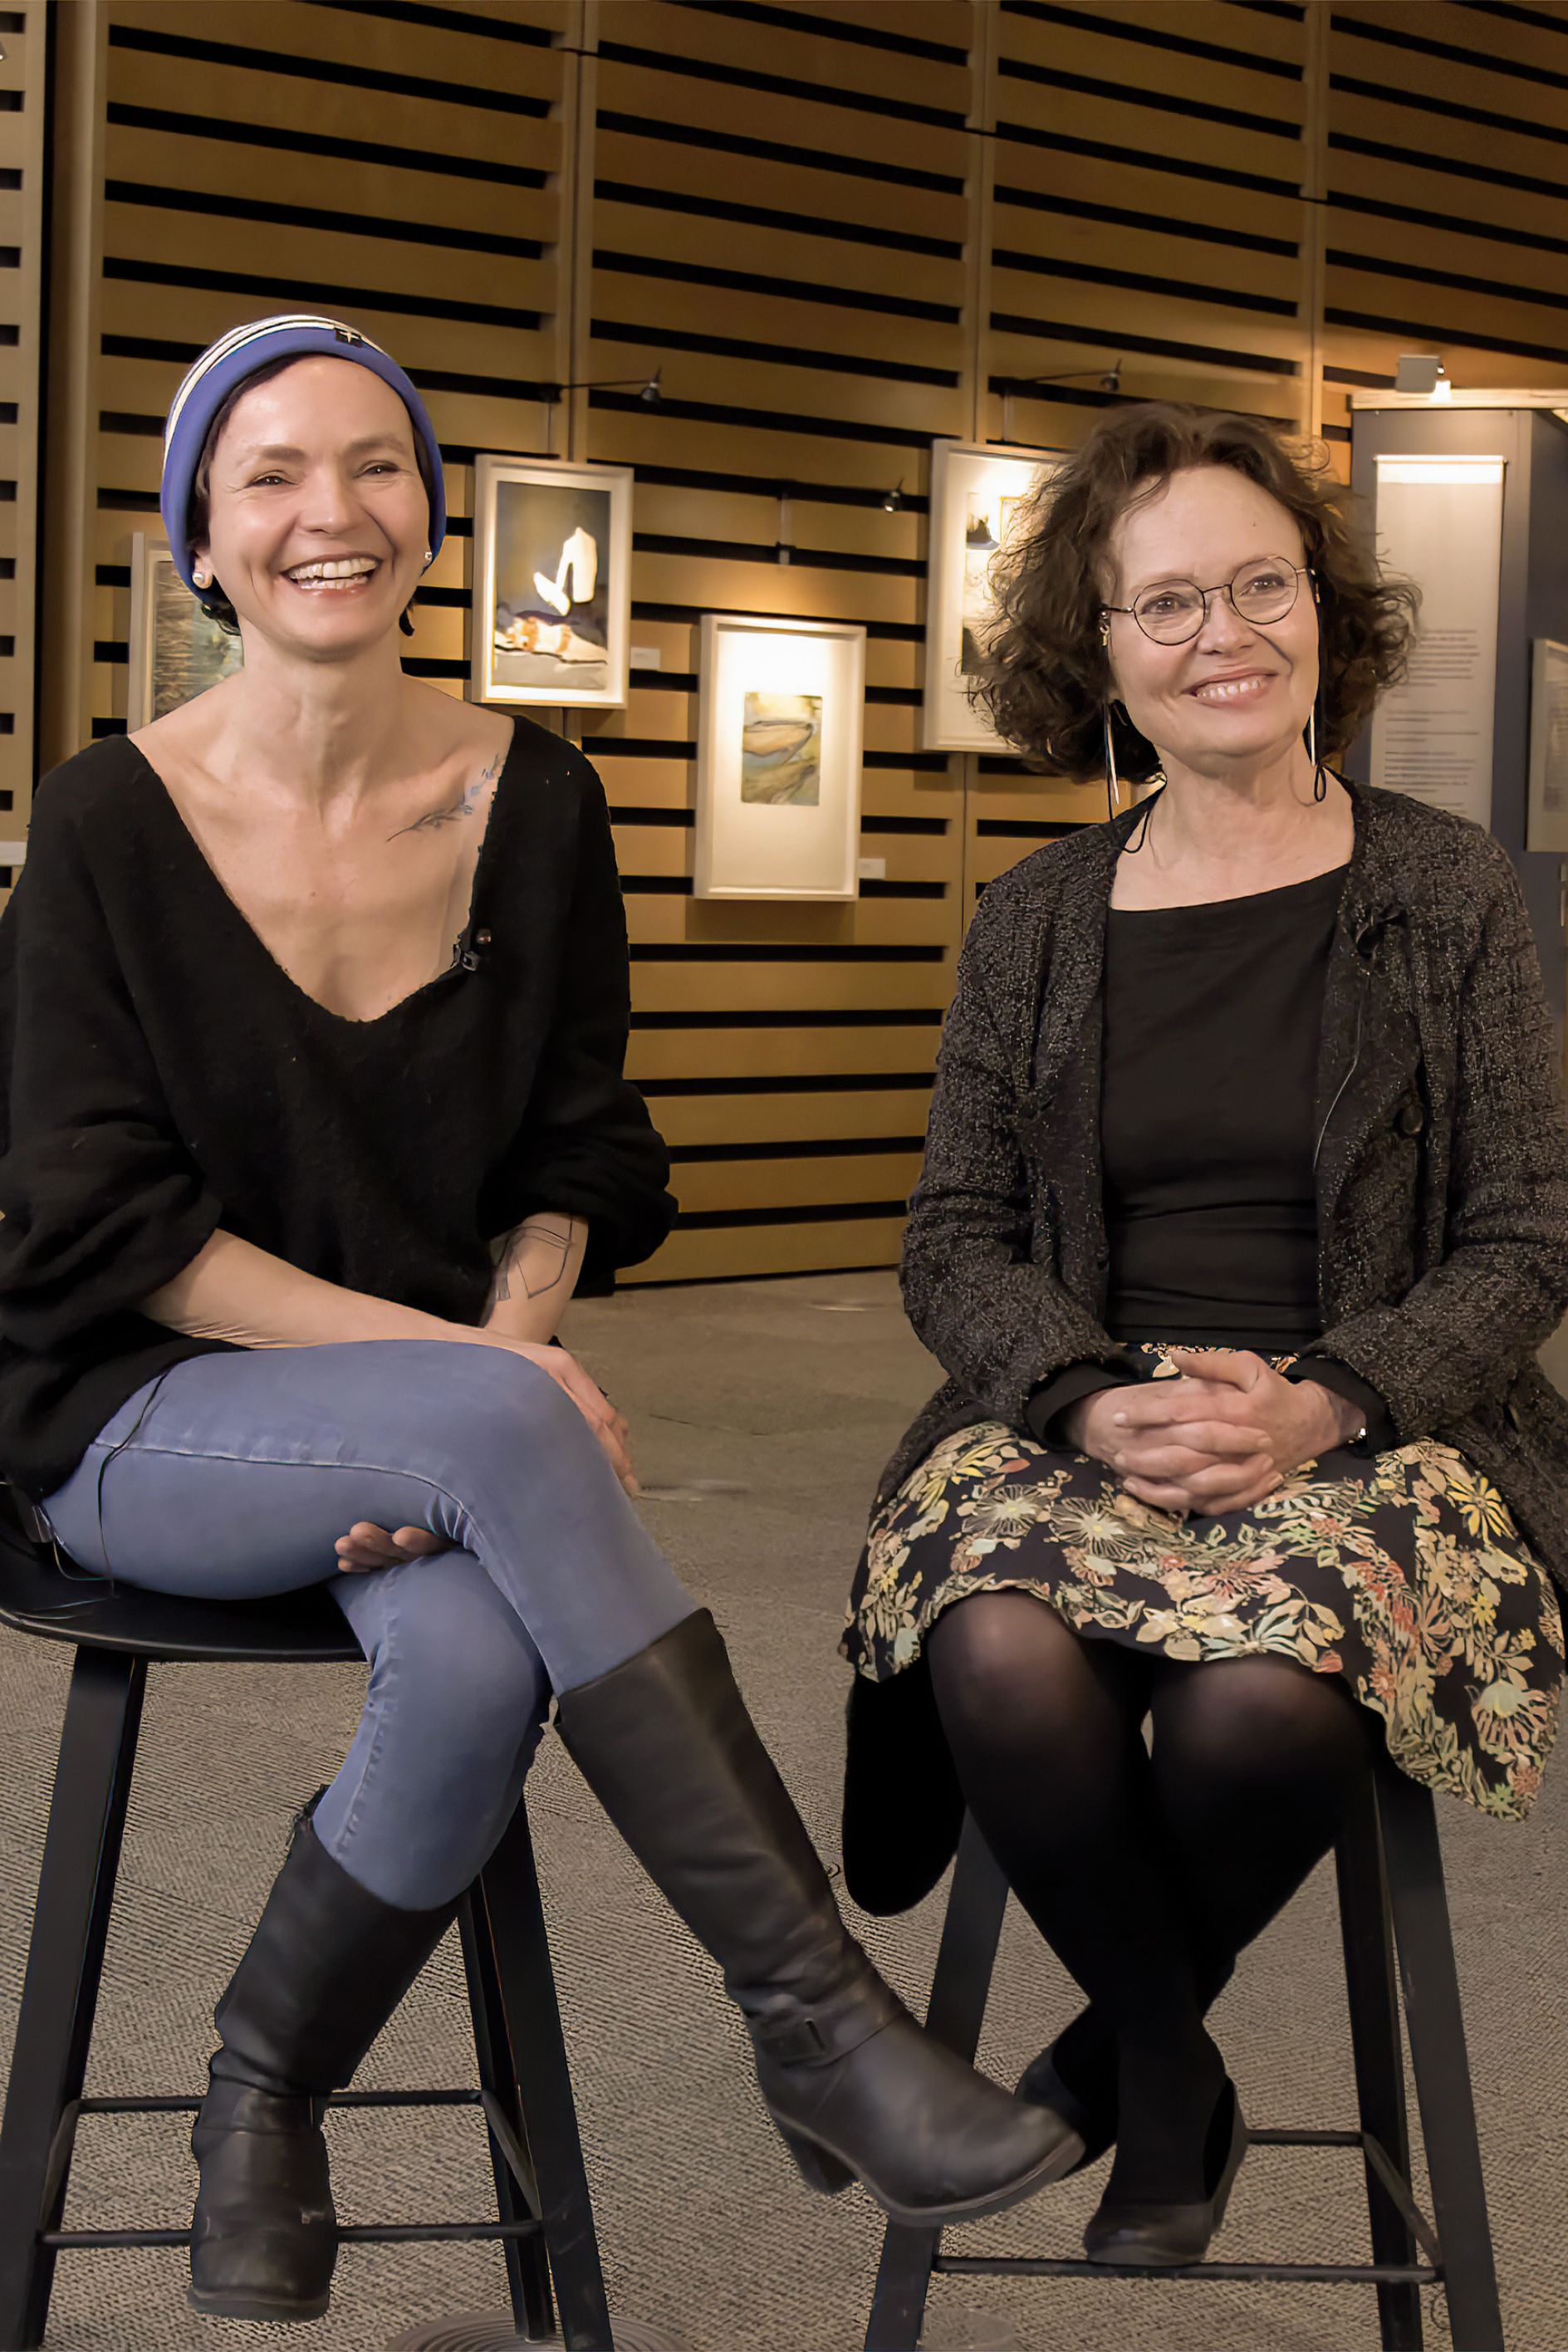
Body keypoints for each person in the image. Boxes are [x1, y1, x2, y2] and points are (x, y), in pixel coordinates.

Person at [0, 315, 1072, 2325]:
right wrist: (464, 1389)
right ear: (203, 549)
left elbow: (578, 1147)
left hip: (440, 1420)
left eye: (376, 467)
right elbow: (109, 1228)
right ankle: (818, 2024)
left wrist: (487, 1347)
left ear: (429, 514)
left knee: (484, 1664)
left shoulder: (539, 798)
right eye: (272, 479)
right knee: (506, 1440)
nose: (334, 511)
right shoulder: (103, 826)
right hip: (141, 1419)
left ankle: (259, 2094)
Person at [840, 402, 1568, 2269]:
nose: (1220, 634)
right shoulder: (1036, 919)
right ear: (1093, 654)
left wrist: (1322, 1403)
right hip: (1078, 1413)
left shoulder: (1444, 888)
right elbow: (952, 1238)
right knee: (992, 1648)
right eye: (1165, 603)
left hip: (1379, 1427)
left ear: (1322, 614)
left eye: (1260, 586)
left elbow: (1525, 1232)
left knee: (1258, 1701)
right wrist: (1087, 1403)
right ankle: (1171, 2077)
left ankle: (1101, 2065)